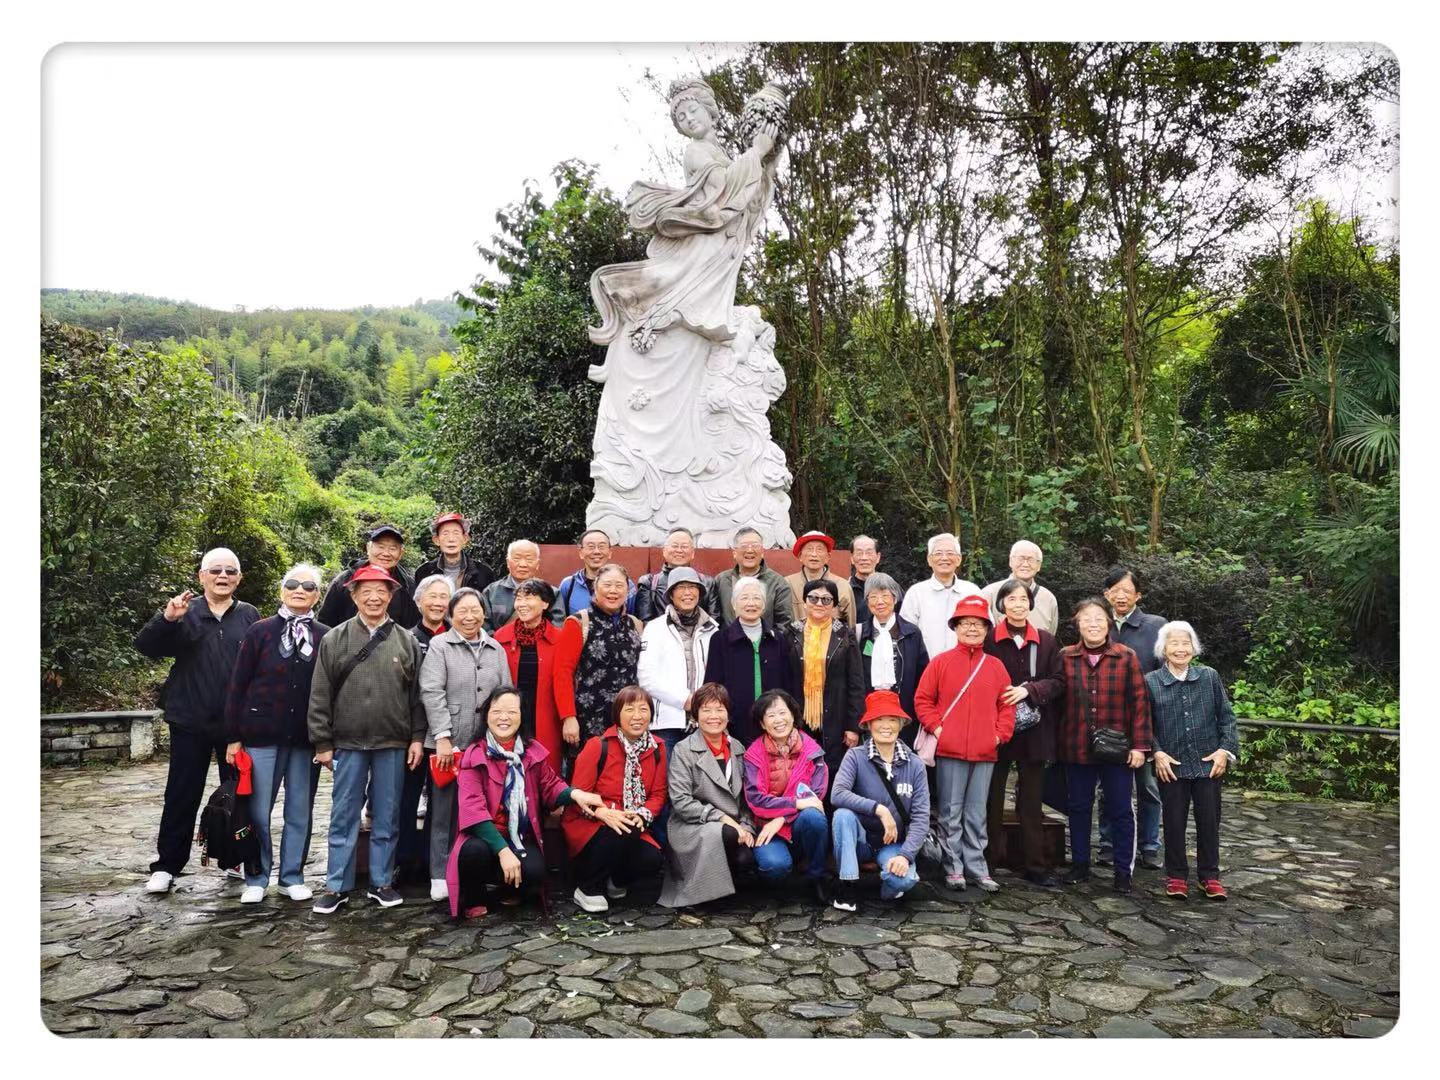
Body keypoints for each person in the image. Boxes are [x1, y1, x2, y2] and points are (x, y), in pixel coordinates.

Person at [137, 547, 261, 894]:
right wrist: (167, 619)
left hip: (234, 726)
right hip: (189, 719)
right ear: (202, 576)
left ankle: (234, 859)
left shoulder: (249, 615)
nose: (223, 576)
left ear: (239, 578)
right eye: (216, 570)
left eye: (230, 571)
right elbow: (146, 647)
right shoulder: (184, 611)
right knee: (181, 794)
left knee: (238, 794)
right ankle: (167, 865)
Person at [307, 564, 426, 914]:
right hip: (348, 742)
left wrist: (417, 737)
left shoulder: (406, 640)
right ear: (354, 596)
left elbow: (416, 697)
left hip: (393, 742)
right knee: (344, 815)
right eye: (366, 591)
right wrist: (322, 742)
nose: (374, 597)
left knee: (387, 815)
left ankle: (382, 881)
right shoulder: (335, 639)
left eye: (381, 591)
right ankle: (337, 885)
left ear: (391, 596)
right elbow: (320, 693)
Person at [222, 563, 330, 904]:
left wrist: (326, 738)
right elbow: (238, 684)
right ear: (282, 590)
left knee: (300, 809)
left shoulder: (325, 636)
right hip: (260, 735)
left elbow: (329, 691)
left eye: (308, 586)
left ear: (317, 595)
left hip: (304, 739)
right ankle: (256, 876)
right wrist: (233, 736)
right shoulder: (260, 631)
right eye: (293, 584)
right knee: (257, 810)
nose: (300, 590)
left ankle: (292, 876)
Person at [447, 687, 604, 919]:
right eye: (497, 711)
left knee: (534, 871)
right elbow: (473, 811)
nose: (504, 717)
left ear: (522, 716)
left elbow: (551, 786)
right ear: (486, 715)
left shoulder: (531, 752)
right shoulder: (474, 755)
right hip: (485, 837)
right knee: (473, 852)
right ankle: (475, 897)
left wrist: (576, 795)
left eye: (512, 712)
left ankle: (508, 888)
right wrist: (503, 851)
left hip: (519, 837)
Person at [914, 595, 1015, 892]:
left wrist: (999, 735)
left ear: (987, 629)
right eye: (966, 623)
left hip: (985, 751)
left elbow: (1006, 705)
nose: (972, 629)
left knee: (976, 812)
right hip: (950, 750)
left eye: (978, 624)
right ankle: (952, 867)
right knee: (950, 811)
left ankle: (977, 867)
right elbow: (923, 700)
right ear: (956, 627)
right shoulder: (941, 662)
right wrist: (939, 729)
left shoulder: (996, 666)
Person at [419, 587, 513, 903]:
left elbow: (505, 694)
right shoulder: (440, 645)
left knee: (480, 810)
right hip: (449, 742)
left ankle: (473, 871)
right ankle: (439, 873)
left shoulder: (496, 648)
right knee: (443, 811)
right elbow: (431, 691)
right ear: (451, 614)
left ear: (484, 613)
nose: (469, 616)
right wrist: (443, 737)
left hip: (485, 744)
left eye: (475, 610)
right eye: (462, 610)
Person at [1056, 597, 1154, 894]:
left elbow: (1140, 704)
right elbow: (1057, 703)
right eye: (1086, 619)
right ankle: (1080, 864)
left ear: (1109, 623)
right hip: (1076, 745)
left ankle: (1123, 871)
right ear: (1077, 624)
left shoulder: (1126, 657)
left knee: (1120, 809)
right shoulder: (1066, 656)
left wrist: (1140, 747)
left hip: (1118, 749)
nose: (1093, 624)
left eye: (1099, 618)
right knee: (1078, 807)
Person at [1146, 621, 1239, 901]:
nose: (1180, 649)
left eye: (1186, 643)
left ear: (1194, 648)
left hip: (1208, 764)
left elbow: (1227, 718)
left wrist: (1224, 751)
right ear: (1163, 649)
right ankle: (1176, 876)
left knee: (1209, 822)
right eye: (1174, 643)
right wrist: (1156, 752)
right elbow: (1143, 724)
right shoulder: (1151, 682)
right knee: (1173, 822)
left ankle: (1210, 877)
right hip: (1171, 765)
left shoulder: (1209, 676)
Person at [982, 579, 1065, 887]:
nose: (1017, 604)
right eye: (1011, 599)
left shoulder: (1046, 641)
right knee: (992, 796)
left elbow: (1059, 681)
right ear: (1001, 604)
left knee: (1031, 799)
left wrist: (1030, 690)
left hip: (1035, 727)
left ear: (1031, 604)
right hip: (996, 727)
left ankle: (1035, 864)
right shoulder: (989, 639)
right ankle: (988, 860)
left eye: (1023, 599)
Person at [562, 686, 668, 912]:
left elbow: (658, 794)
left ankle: (615, 880)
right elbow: (578, 795)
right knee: (621, 828)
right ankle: (587, 887)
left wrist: (643, 814)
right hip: (591, 822)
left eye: (643, 709)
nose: (637, 716)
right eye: (629, 709)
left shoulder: (657, 748)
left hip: (630, 824)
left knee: (652, 859)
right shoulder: (598, 746)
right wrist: (603, 812)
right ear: (617, 714)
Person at [829, 690, 930, 910]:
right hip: (861, 840)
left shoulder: (915, 765)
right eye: (879, 719)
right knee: (842, 816)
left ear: (901, 724)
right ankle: (847, 885)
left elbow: (921, 817)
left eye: (892, 719)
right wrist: (879, 809)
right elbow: (837, 794)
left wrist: (905, 856)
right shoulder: (855, 756)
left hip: (894, 844)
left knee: (902, 880)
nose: (886, 726)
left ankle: (889, 885)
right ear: (868, 724)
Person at [658, 683, 756, 908]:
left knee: (746, 857)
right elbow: (681, 801)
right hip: (692, 824)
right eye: (706, 710)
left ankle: (720, 887)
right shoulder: (684, 749)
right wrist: (722, 818)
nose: (714, 716)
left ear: (728, 714)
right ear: (696, 715)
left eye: (720, 709)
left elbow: (747, 799)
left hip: (734, 825)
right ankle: (703, 894)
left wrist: (747, 827)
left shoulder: (738, 749)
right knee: (726, 832)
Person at [1097, 566, 1168, 869]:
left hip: (1146, 718)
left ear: (1138, 595)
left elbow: (1166, 671)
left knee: (1148, 787)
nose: (1121, 596)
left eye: (1127, 591)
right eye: (1115, 590)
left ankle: (1150, 845)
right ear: (1106, 594)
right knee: (1108, 788)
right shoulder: (1098, 623)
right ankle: (1108, 843)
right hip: (1108, 719)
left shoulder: (1156, 626)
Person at [742, 690, 833, 904]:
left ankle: (817, 876)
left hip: (796, 824)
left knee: (814, 817)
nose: (779, 720)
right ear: (762, 723)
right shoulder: (754, 754)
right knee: (775, 867)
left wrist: (782, 818)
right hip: (767, 828)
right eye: (771, 715)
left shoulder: (812, 750)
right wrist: (796, 803)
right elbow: (756, 799)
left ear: (793, 715)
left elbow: (815, 796)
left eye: (783, 713)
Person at [554, 563, 645, 759]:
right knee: (588, 770)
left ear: (627, 591)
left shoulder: (635, 625)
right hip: (587, 718)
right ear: (595, 588)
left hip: (628, 718)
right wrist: (568, 717)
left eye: (619, 585)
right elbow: (562, 673)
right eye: (607, 585)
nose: (613, 591)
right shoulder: (578, 622)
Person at [636, 567, 720, 760]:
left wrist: (704, 705)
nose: (687, 593)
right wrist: (685, 700)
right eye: (681, 587)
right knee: (667, 776)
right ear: (671, 595)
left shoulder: (713, 629)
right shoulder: (655, 628)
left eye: (693, 587)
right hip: (667, 723)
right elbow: (646, 677)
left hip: (704, 721)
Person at [703, 577, 796, 745]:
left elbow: (788, 684)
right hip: (734, 724)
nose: (751, 603)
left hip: (774, 724)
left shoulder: (777, 639)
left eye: (756, 598)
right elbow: (712, 686)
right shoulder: (720, 639)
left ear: (764, 604)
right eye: (744, 598)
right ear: (734, 604)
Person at [787, 577, 864, 780]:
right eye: (813, 598)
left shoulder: (845, 635)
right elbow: (784, 679)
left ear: (834, 606)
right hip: (800, 716)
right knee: (801, 771)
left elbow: (856, 683)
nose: (819, 604)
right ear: (804, 602)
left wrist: (853, 726)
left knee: (832, 772)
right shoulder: (791, 633)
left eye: (826, 599)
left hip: (836, 716)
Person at [492, 579, 564, 760]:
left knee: (546, 767)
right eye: (519, 598)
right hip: (510, 716)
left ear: (545, 604)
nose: (522, 604)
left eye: (529, 598)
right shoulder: (501, 636)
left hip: (547, 717)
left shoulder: (559, 638)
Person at [855, 572, 929, 740]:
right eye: (873, 596)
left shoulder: (911, 633)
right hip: (869, 712)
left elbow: (922, 676)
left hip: (904, 712)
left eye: (885, 595)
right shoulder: (859, 634)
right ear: (867, 602)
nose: (879, 601)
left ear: (895, 599)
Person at [317, 523, 421, 629]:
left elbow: (414, 626)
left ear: (401, 553)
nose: (386, 553)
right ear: (368, 548)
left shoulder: (409, 586)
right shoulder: (344, 581)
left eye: (392, 548)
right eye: (381, 547)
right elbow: (325, 623)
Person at [899, 532, 981, 661]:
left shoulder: (972, 592)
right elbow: (905, 635)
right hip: (926, 666)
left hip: (967, 665)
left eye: (950, 553)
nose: (944, 558)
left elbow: (985, 629)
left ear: (959, 559)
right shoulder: (916, 593)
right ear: (929, 560)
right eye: (938, 553)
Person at [634, 526, 722, 621]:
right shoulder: (649, 582)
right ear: (664, 551)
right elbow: (645, 621)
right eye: (675, 546)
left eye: (684, 547)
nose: (679, 550)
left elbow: (714, 619)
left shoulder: (707, 582)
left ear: (693, 553)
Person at [714, 526, 795, 626]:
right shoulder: (721, 580)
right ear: (734, 553)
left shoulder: (778, 583)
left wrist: (768, 636)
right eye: (744, 546)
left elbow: (784, 622)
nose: (750, 550)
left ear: (762, 552)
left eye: (755, 546)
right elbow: (714, 618)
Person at [978, 540, 1060, 634]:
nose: (1025, 564)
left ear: (1039, 566)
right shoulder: (989, 594)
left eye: (1031, 560)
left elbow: (1050, 635)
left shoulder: (1048, 599)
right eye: (1020, 559)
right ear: (1010, 561)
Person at [482, 539, 564, 631]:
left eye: (529, 559)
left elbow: (557, 627)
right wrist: (499, 639)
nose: (523, 564)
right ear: (508, 563)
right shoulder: (491, 592)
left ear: (537, 564)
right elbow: (484, 626)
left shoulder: (551, 593)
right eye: (517, 559)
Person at [415, 511, 497, 597]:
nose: (451, 539)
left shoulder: (484, 572)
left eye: (456, 533)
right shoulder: (424, 572)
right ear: (436, 540)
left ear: (465, 538)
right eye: (445, 534)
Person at [785, 530, 857, 625]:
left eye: (819, 549)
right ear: (800, 556)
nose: (814, 554)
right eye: (809, 549)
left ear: (828, 557)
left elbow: (851, 626)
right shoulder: (787, 584)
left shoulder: (842, 586)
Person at [559, 529, 636, 617]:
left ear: (610, 552)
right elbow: (560, 620)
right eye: (591, 547)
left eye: (601, 547)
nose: (596, 552)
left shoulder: (625, 584)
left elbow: (632, 619)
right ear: (581, 552)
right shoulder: (568, 585)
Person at [849, 535, 902, 609]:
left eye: (869, 553)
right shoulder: (846, 589)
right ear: (852, 558)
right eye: (859, 553)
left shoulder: (891, 586)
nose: (864, 558)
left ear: (878, 557)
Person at [411, 575, 454, 653]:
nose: (438, 603)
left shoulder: (459, 638)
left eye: (443, 597)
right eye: (433, 596)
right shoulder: (407, 639)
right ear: (418, 601)